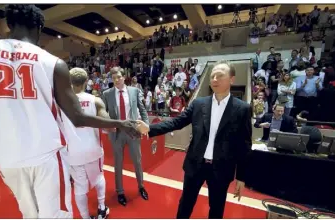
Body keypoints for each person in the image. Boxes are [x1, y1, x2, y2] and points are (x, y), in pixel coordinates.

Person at [0, 4, 139, 218]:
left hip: (6, 157)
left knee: (29, 213)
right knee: (57, 214)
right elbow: (78, 117)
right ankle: (101, 209)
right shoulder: (53, 63)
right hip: (46, 156)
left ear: (9, 23)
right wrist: (120, 123)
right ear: (38, 28)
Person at [137, 60, 252, 219]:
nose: (214, 79)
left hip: (222, 168)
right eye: (212, 76)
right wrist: (150, 128)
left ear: (232, 79)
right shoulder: (199, 104)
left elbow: (244, 145)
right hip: (195, 164)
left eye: (220, 76)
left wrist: (241, 177)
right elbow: (177, 122)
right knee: (185, 204)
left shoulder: (242, 109)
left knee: (216, 210)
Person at [62, 67, 110, 219]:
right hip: (93, 149)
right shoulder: (95, 100)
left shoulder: (61, 102)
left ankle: (85, 217)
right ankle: (102, 209)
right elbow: (107, 124)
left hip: (73, 153)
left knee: (80, 188)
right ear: (85, 82)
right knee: (99, 178)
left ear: (69, 82)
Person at [102, 67, 149, 206]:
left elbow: (142, 109)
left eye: (118, 77)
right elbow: (102, 112)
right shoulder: (107, 93)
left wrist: (146, 125)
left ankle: (141, 186)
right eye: (113, 78)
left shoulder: (134, 91)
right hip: (116, 133)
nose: (116, 80)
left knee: (137, 161)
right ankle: (120, 191)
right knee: (118, 163)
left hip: (133, 130)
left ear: (124, 77)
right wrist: (107, 125)